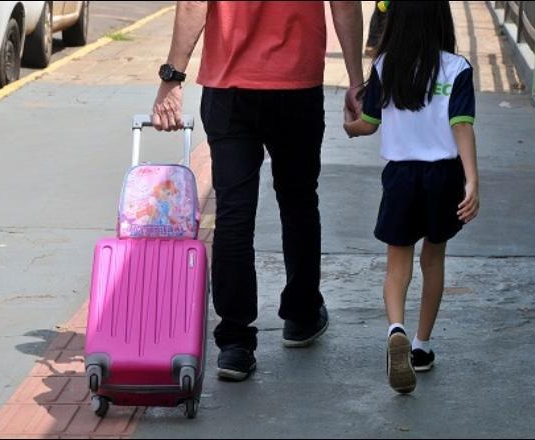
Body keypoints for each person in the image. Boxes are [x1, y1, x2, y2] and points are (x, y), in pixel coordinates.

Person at [152, 1, 364, 382]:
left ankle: (234, 344)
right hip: (297, 86)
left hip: (229, 88)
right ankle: (301, 316)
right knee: (299, 202)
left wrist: (172, 78)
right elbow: (345, 5)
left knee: (234, 214)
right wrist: (356, 81)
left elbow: (192, 5)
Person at [344, 1, 479, 394]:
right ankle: (421, 347)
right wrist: (472, 181)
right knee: (433, 259)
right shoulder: (457, 68)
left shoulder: (386, 67)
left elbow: (368, 124)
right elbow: (462, 125)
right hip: (444, 176)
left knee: (396, 264)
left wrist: (348, 127)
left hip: (401, 176)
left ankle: (395, 328)